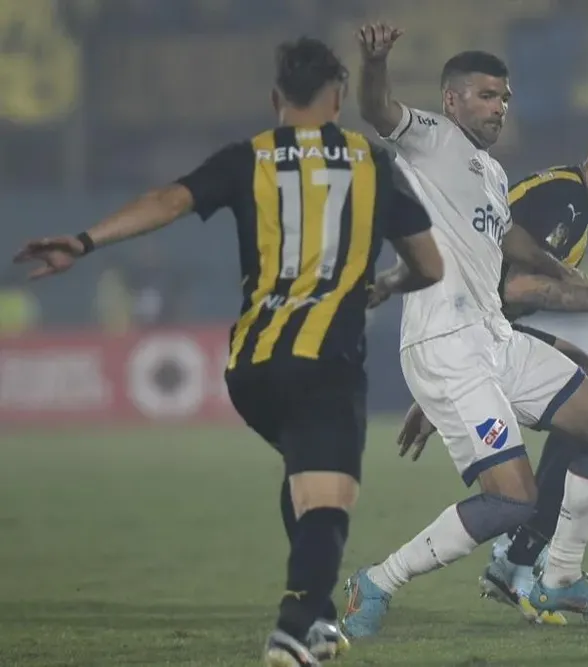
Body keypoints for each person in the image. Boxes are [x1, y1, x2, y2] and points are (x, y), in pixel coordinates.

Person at [12, 37, 443, 667]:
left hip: (251, 368)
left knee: (306, 473)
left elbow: (168, 200)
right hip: (324, 361)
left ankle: (319, 619)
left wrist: (84, 240)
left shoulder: (250, 158)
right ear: (340, 97)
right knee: (328, 498)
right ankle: (295, 629)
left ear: (276, 100)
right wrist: (388, 285)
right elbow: (429, 264)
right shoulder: (371, 163)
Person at [341, 23, 588, 638]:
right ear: (453, 100)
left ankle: (559, 577)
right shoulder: (431, 140)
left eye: (504, 97)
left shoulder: (494, 175)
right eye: (486, 95)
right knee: (513, 499)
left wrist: (554, 263)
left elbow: (509, 240)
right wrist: (374, 62)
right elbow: (376, 110)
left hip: (494, 339)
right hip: (448, 345)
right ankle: (377, 582)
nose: (499, 107)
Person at [396, 122, 588, 626]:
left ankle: (524, 555)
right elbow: (519, 287)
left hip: (483, 338)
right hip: (468, 333)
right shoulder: (561, 195)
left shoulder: (574, 209)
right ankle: (521, 557)